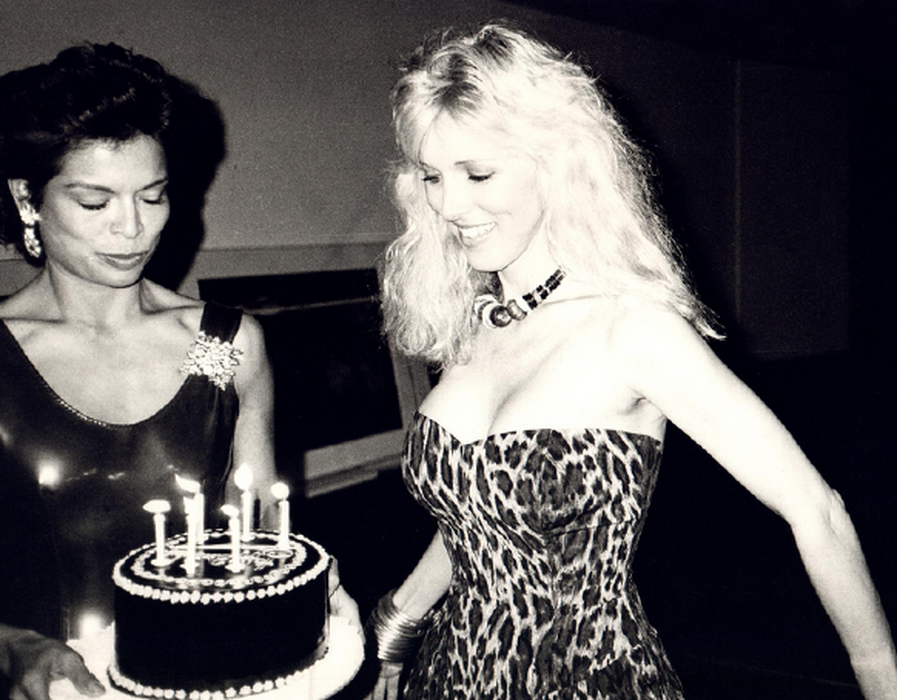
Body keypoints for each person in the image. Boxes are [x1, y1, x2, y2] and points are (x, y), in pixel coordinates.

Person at [364, 21, 897, 700]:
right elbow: (479, 520)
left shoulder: (632, 328)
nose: (448, 204)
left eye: (478, 173)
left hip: (584, 677)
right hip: (451, 671)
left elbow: (815, 510)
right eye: (431, 176)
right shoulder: (475, 319)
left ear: (554, 162)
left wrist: (880, 679)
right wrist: (395, 631)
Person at [0, 43, 357, 700]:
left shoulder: (232, 344)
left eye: (153, 195)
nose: (133, 228)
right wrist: (15, 647)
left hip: (212, 680)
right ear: (28, 198)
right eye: (94, 201)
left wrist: (303, 588)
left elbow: (259, 544)